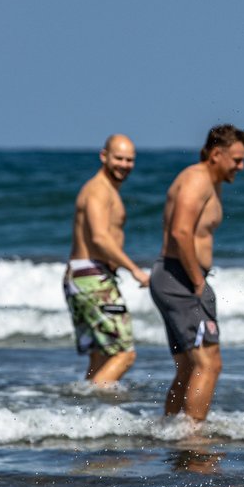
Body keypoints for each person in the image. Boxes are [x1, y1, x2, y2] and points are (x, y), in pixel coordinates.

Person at [149, 124, 244, 422]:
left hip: (173, 275)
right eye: (236, 159)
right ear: (216, 154)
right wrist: (197, 282)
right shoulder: (197, 179)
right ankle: (193, 440)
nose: (241, 167)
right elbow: (181, 232)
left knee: (189, 366)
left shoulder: (209, 181)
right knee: (209, 364)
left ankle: (171, 431)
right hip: (181, 277)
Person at [63, 134, 149, 386]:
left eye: (129, 160)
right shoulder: (98, 190)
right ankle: (87, 414)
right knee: (124, 354)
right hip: (92, 277)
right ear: (104, 156)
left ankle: (90, 417)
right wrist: (134, 270)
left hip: (84, 277)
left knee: (100, 356)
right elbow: (100, 238)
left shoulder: (105, 189)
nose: (124, 164)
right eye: (119, 158)